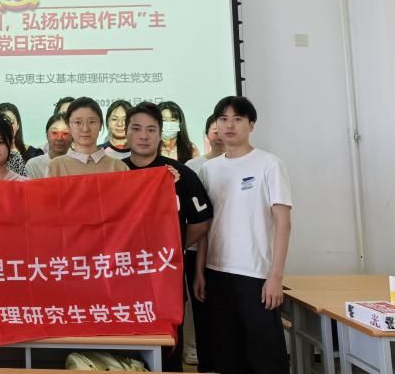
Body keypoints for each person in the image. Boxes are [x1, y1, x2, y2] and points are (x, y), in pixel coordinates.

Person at [194, 96, 292, 374]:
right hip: (216, 272)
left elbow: (283, 223)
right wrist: (200, 272)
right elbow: (204, 226)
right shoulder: (208, 169)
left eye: (237, 119)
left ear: (251, 125)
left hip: (255, 275)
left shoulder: (269, 164)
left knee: (265, 356)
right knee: (226, 356)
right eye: (223, 119)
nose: (229, 125)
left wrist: (275, 277)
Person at [122, 101, 214, 372]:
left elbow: (201, 222)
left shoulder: (180, 174)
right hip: (123, 278)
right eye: (136, 129)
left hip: (166, 279)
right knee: (127, 351)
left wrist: (172, 246)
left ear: (160, 134)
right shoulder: (115, 172)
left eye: (151, 129)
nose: (143, 135)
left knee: (168, 351)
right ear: (126, 133)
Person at [181, 114, 225, 370]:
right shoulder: (195, 166)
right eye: (214, 129)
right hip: (195, 248)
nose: (219, 134)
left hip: (227, 253)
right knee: (197, 306)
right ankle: (195, 351)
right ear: (207, 134)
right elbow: (200, 218)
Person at [48, 97, 128, 176]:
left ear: (100, 125)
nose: (85, 129)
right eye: (78, 122)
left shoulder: (119, 167)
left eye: (92, 122)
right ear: (68, 125)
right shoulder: (56, 167)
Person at [25, 113, 71, 179]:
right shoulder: (33, 165)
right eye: (54, 133)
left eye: (65, 133)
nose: (59, 138)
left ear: (73, 136)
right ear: (47, 135)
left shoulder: (79, 164)